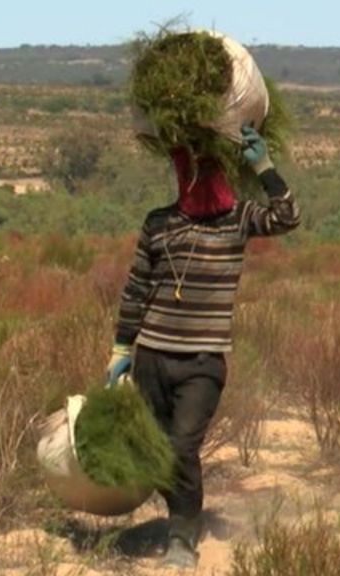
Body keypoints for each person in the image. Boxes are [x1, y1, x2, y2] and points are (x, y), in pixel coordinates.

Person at [106, 126, 300, 568]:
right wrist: (121, 348)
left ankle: (181, 537)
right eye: (189, 168)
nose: (197, 177)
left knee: (182, 447)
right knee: (157, 449)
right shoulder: (158, 222)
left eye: (207, 168)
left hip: (202, 363)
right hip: (152, 355)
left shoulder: (239, 218)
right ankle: (178, 517)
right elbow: (136, 289)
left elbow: (288, 216)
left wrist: (264, 166)